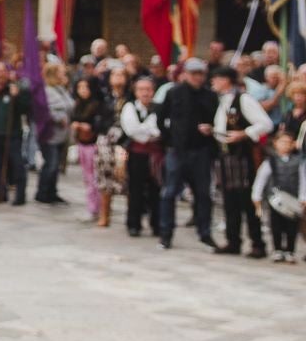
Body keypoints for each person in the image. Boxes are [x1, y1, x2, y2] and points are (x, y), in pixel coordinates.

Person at [212, 63, 273, 258]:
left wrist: (244, 133)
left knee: (248, 201)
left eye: (216, 79)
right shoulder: (221, 100)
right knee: (229, 201)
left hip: (243, 157)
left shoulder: (244, 99)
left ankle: (258, 243)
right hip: (226, 156)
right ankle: (233, 240)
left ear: (225, 80)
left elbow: (266, 124)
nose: (213, 82)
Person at [158, 59, 218, 251]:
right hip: (177, 150)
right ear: (186, 74)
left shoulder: (210, 96)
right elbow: (161, 118)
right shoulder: (174, 92)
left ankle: (205, 232)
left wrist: (211, 131)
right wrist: (169, 139)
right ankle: (166, 234)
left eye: (201, 74)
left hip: (201, 151)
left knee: (203, 194)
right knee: (169, 193)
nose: (198, 78)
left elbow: (217, 120)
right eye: (194, 74)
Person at [118, 76, 162, 238]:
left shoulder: (158, 108)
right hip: (136, 154)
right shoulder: (129, 107)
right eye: (141, 89)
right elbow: (132, 130)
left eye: (148, 89)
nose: (145, 93)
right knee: (135, 189)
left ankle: (157, 224)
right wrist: (147, 131)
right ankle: (133, 224)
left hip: (155, 155)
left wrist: (147, 130)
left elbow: (159, 129)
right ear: (136, 91)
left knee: (155, 190)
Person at [0, 60, 31, 205]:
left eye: (1, 71)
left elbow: (25, 109)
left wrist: (17, 97)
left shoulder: (15, 89)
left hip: (12, 133)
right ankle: (0, 192)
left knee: (16, 163)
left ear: (7, 73)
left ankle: (20, 194)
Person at [254, 129, 301, 263]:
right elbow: (261, 179)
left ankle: (290, 250)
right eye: (282, 142)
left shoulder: (298, 162)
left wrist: (303, 197)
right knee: (276, 225)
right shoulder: (271, 161)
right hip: (275, 198)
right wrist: (256, 196)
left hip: (293, 199)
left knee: (292, 227)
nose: (285, 145)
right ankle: (278, 249)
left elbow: (303, 180)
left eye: (288, 142)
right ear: (275, 143)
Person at [68, 75, 109, 223]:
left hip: (93, 144)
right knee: (87, 177)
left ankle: (94, 208)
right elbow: (73, 119)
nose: (83, 90)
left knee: (93, 178)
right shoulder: (79, 104)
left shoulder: (98, 105)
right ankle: (92, 206)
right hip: (82, 143)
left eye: (86, 87)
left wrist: (90, 127)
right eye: (80, 87)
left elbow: (101, 125)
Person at [32, 62, 72, 206]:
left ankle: (52, 192)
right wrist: (57, 118)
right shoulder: (46, 91)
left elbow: (70, 105)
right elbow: (43, 111)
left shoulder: (60, 89)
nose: (64, 75)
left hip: (61, 135)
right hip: (50, 135)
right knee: (51, 164)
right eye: (61, 72)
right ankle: (42, 193)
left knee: (56, 166)